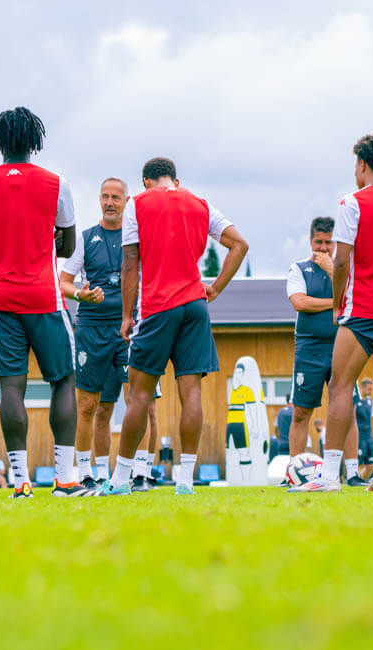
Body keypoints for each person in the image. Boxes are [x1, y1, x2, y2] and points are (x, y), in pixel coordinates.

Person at [98, 156, 248, 496]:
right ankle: (185, 481)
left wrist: (126, 315)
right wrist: (216, 287)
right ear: (174, 180)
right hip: (195, 305)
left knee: (139, 394)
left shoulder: (137, 204)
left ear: (146, 182)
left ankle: (120, 480)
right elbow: (240, 244)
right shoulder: (201, 203)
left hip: (158, 306)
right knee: (191, 392)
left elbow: (130, 262)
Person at [290, 133, 373, 493]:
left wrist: (337, 303)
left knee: (341, 386)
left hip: (364, 308)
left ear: (362, 164)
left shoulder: (352, 202)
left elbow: (342, 261)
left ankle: (330, 477)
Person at [0, 107, 84, 498]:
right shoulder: (56, 183)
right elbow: (68, 245)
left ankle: (20, 482)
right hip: (44, 295)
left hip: (0, 298)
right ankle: (64, 479)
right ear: (35, 140)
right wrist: (46, 239)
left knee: (10, 387)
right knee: (62, 380)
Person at [59, 177, 129, 492]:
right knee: (87, 404)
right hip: (91, 328)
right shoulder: (85, 239)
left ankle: (125, 473)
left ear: (126, 201)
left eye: (115, 197)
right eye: (105, 196)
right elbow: (63, 281)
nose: (109, 202)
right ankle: (86, 473)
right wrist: (80, 294)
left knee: (128, 402)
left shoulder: (135, 238)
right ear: (99, 200)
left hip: (127, 328)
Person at [285, 217, 337, 468]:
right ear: (310, 241)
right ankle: (294, 469)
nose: (324, 248)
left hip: (343, 345)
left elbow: (357, 296)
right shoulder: (299, 268)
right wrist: (336, 304)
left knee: (344, 409)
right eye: (319, 242)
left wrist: (333, 270)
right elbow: (300, 302)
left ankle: (351, 472)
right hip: (309, 348)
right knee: (301, 411)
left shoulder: (347, 270)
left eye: (329, 242)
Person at [351, 379, 373, 485]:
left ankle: (362, 481)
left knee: (371, 465)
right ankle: (357, 481)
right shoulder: (356, 401)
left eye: (372, 389)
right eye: (369, 389)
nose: (370, 391)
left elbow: (371, 419)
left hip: (369, 437)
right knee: (360, 464)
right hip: (359, 437)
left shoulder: (370, 401)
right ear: (362, 387)